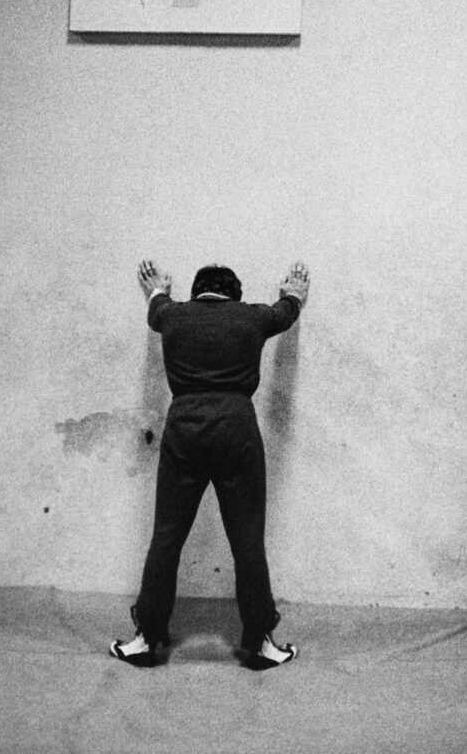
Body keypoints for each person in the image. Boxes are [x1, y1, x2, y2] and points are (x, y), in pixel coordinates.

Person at [110, 259, 310, 670]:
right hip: (237, 430)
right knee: (247, 541)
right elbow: (284, 314)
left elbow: (156, 308)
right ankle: (260, 644)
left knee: (166, 537)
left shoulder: (172, 316)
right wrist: (293, 292)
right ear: (233, 293)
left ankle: (146, 640)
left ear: (196, 291)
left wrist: (158, 288)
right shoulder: (251, 317)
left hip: (184, 430)